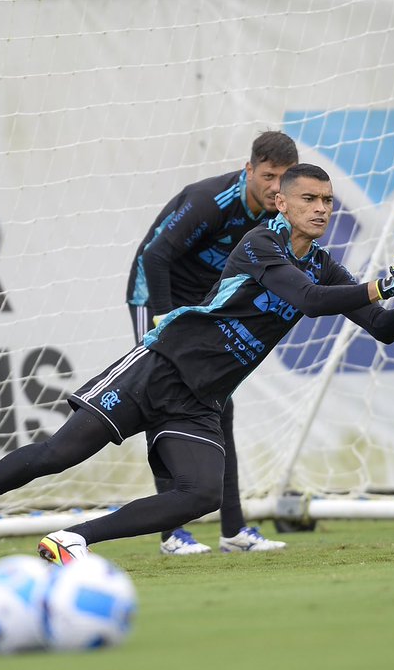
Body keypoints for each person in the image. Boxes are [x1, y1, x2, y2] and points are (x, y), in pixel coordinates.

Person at [0, 163, 394, 568]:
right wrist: (389, 280)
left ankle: (75, 538)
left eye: (327, 200)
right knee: (58, 454)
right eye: (309, 198)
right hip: (158, 365)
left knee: (201, 494)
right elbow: (310, 301)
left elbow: (384, 327)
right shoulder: (260, 244)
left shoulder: (323, 264)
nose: (322, 208)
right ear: (281, 203)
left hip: (200, 398)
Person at [127, 130, 298, 555]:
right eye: (268, 175)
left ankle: (234, 531)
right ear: (249, 170)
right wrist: (165, 319)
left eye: (284, 178)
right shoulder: (211, 201)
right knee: (160, 401)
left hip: (205, 303)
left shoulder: (282, 213)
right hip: (156, 295)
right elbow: (154, 256)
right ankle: (171, 533)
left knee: (221, 405)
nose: (275, 187)